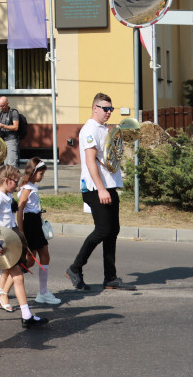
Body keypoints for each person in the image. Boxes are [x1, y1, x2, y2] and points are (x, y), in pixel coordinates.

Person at [65, 93, 136, 292]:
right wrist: (102, 188)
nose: (109, 113)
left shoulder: (105, 129)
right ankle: (75, 268)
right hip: (95, 188)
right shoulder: (90, 129)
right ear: (95, 108)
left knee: (113, 231)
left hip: (109, 185)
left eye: (111, 109)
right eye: (105, 109)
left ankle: (110, 277)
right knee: (103, 230)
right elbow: (90, 161)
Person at [0, 164, 47, 328]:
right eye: (15, 181)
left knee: (17, 277)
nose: (18, 185)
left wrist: (21, 239)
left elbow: (9, 222)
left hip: (7, 244)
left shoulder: (7, 197)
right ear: (7, 181)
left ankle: (26, 315)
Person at [16, 158, 61, 305]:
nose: (42, 176)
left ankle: (43, 292)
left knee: (43, 255)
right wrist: (21, 230)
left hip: (35, 222)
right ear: (33, 172)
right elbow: (20, 209)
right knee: (29, 261)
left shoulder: (31, 186)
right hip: (30, 223)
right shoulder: (27, 188)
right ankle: (3, 283)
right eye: (41, 173)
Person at [0, 96, 20, 168]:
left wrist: (2, 126)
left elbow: (16, 127)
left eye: (3, 106)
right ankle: (8, 179)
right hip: (3, 141)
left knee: (11, 164)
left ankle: (13, 178)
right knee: (6, 165)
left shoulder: (13, 112)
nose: (1, 108)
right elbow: (0, 129)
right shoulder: (1, 114)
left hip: (11, 140)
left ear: (7, 103)